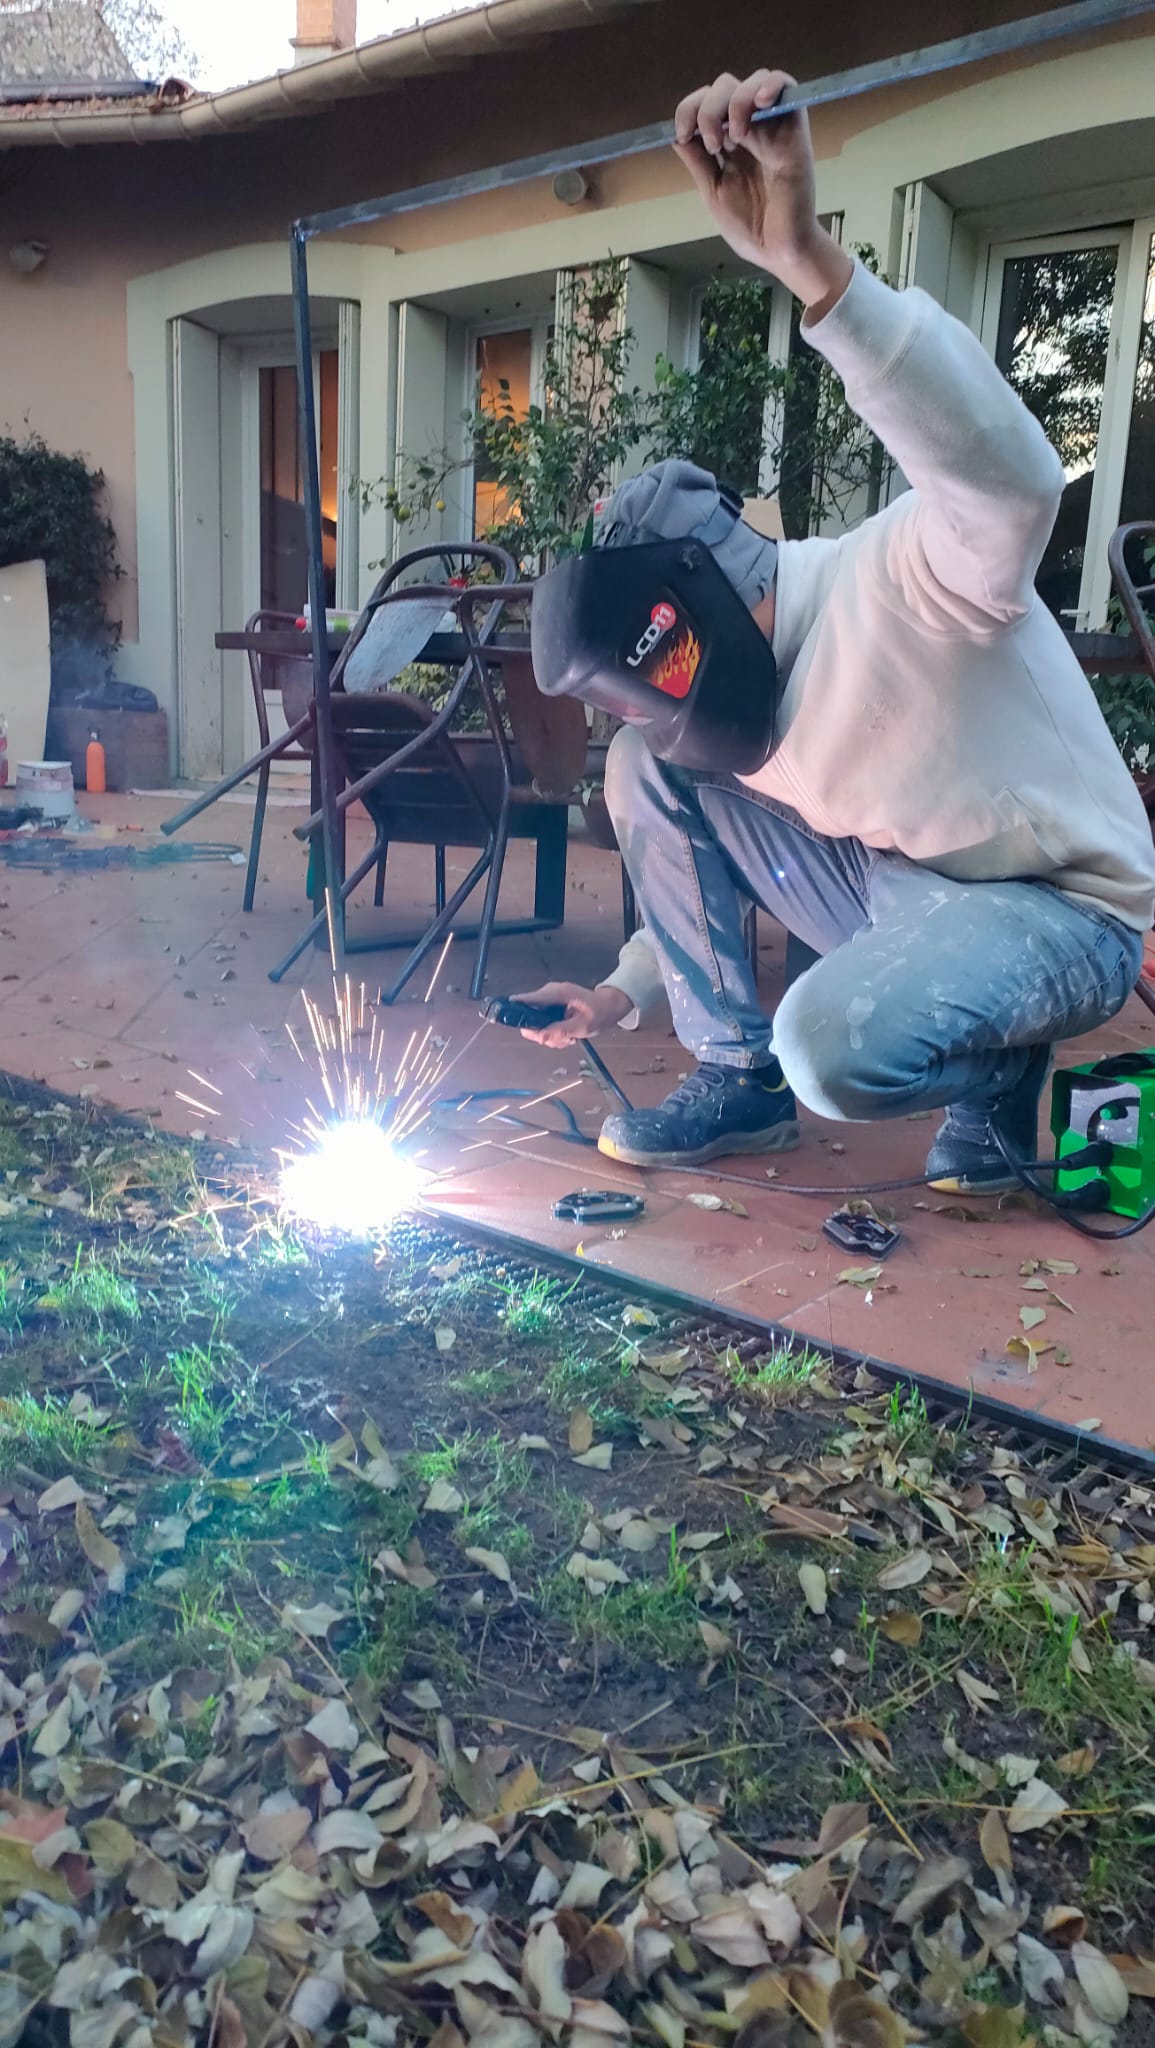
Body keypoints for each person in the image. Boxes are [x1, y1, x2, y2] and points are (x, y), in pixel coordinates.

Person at [516, 65, 1155, 1192]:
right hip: (894, 890)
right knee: (645, 770)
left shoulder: (907, 574)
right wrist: (621, 989)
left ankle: (1002, 1081)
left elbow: (1015, 484)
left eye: (667, 664)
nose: (672, 700)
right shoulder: (728, 714)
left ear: (706, 589)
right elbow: (692, 822)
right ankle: (734, 1081)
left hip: (1063, 913)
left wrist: (811, 268)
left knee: (831, 1046)